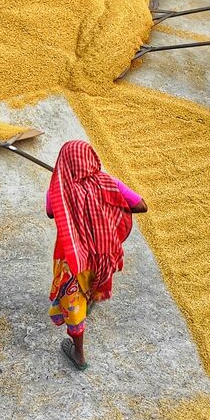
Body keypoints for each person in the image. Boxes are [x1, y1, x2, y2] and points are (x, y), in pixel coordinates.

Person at [45, 140, 147, 371]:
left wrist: (64, 189)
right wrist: (108, 205)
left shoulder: (58, 190)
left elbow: (51, 212)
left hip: (74, 258)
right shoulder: (109, 183)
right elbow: (141, 205)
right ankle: (89, 301)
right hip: (103, 253)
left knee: (74, 304)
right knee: (92, 284)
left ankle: (78, 353)